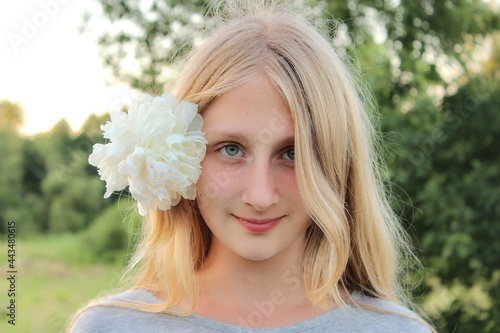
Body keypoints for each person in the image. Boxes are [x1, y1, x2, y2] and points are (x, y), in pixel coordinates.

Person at [70, 1, 434, 332]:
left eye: (292, 153)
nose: (260, 195)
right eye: (231, 149)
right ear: (180, 155)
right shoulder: (110, 326)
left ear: (336, 166)